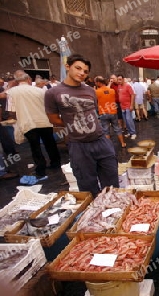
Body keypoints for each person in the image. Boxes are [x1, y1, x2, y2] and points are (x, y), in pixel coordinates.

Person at [45, 54, 119, 197]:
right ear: (67, 66)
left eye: (85, 71)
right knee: (87, 186)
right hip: (78, 145)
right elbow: (53, 118)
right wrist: (73, 125)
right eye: (78, 68)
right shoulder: (53, 93)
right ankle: (93, 215)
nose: (82, 73)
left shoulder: (90, 90)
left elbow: (94, 112)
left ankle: (112, 211)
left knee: (112, 182)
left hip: (100, 140)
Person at [6, 70, 61, 178]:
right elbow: (49, 106)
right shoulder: (40, 91)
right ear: (29, 80)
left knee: (35, 147)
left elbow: (11, 111)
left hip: (28, 123)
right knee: (50, 143)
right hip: (44, 121)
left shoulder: (12, 92)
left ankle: (41, 169)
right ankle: (56, 163)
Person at [94, 76, 126, 148]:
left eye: (95, 82)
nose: (95, 83)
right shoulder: (112, 91)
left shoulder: (97, 92)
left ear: (99, 83)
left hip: (103, 113)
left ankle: (108, 146)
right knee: (117, 128)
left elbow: (95, 101)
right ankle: (122, 143)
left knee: (106, 130)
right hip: (113, 112)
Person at [117, 74, 137, 139]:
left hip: (128, 106)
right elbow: (119, 94)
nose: (119, 81)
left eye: (120, 79)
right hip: (122, 106)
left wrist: (131, 105)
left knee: (129, 119)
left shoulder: (128, 86)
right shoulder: (119, 86)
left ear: (123, 79)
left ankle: (133, 133)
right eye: (118, 79)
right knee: (125, 120)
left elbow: (133, 95)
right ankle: (129, 132)